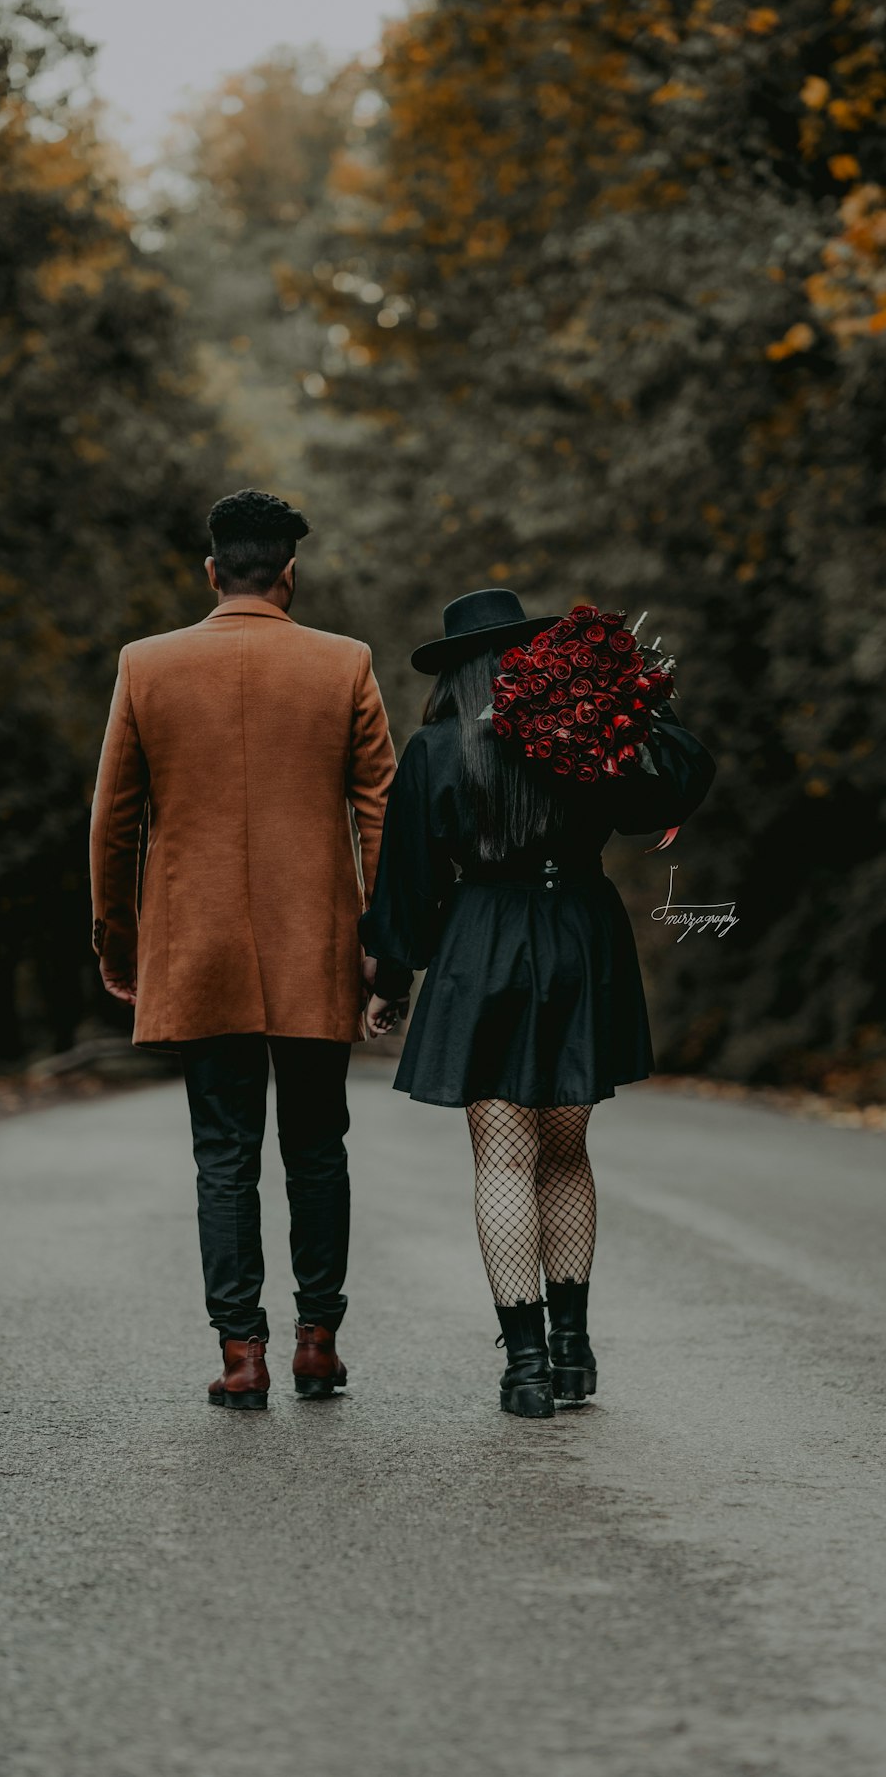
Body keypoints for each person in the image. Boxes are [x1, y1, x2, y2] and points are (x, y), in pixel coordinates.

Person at [359, 587, 716, 1419]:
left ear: (454, 674)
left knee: (503, 1158)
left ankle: (523, 1367)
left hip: (483, 940)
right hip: (580, 937)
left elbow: (407, 884)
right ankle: (573, 1351)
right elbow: (675, 785)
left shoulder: (435, 750)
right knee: (566, 1150)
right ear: (528, 659)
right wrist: (622, 702)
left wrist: (390, 984)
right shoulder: (579, 737)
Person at [89, 489, 395, 1410]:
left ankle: (241, 1356)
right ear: (290, 575)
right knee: (319, 1147)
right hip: (317, 947)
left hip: (200, 948)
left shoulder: (148, 666)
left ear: (212, 571)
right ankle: (317, 1341)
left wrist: (119, 937)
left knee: (223, 1152)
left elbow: (113, 819)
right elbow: (380, 810)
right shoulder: (346, 665)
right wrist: (383, 944)